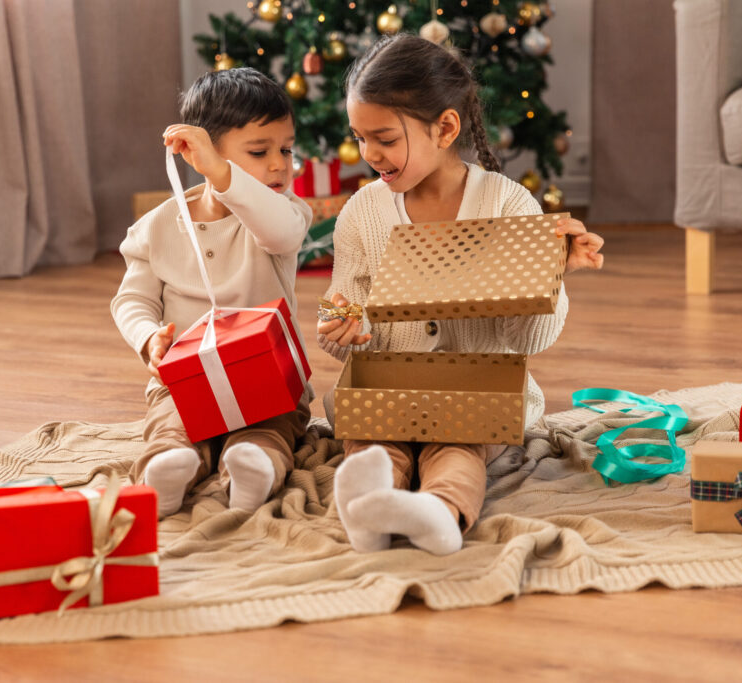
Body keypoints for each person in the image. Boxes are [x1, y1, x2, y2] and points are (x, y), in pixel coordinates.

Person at [318, 34, 605, 555]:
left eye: (383, 138)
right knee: (374, 442)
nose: (368, 154)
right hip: (387, 390)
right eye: (359, 137)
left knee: (458, 445)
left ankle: (441, 512)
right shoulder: (362, 212)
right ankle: (369, 510)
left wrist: (551, 278)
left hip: (478, 395)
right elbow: (345, 312)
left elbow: (528, 339)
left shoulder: (506, 203)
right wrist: (341, 329)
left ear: (445, 128)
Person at [112, 67, 314, 518]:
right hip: (187, 378)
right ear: (200, 154)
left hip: (269, 377)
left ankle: (254, 466)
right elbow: (133, 299)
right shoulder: (157, 227)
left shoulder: (285, 214)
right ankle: (169, 467)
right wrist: (148, 337)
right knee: (172, 422)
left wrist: (226, 173)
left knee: (270, 427)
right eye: (260, 152)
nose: (280, 164)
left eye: (286, 149)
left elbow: (280, 234)